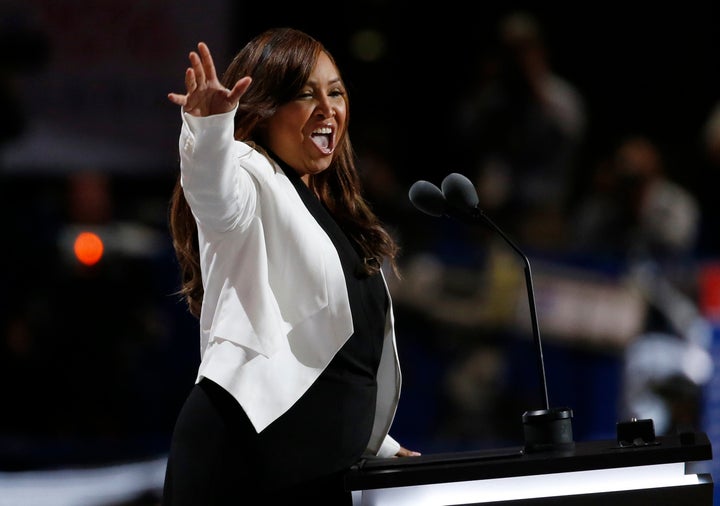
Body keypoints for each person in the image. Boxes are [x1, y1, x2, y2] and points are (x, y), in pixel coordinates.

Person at [162, 28, 420, 505]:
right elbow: (213, 195)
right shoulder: (248, 172)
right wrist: (210, 128)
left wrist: (373, 440)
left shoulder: (332, 216)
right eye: (305, 93)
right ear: (264, 108)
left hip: (316, 467)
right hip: (243, 454)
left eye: (336, 92)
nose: (328, 108)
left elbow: (329, 356)